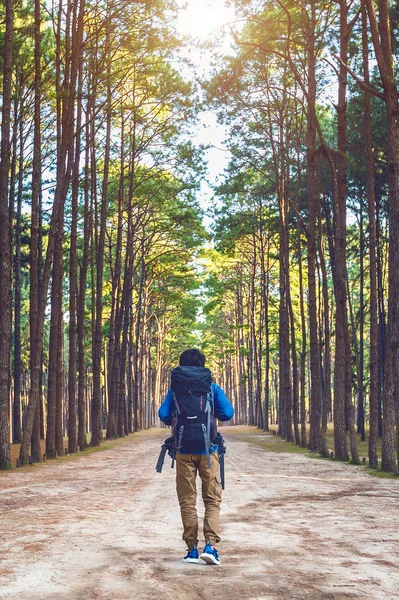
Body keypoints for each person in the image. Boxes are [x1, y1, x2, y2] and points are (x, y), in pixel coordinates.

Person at [158, 348, 234, 566]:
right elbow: (227, 413)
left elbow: (163, 415)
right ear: (203, 365)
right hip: (209, 451)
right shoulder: (211, 388)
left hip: (183, 451)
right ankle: (210, 546)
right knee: (212, 499)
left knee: (187, 500)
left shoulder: (175, 389)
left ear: (182, 366)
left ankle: (191, 549)